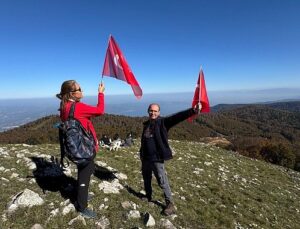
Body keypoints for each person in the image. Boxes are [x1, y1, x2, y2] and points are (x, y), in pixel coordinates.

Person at [140, 103, 201, 216]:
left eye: (155, 111)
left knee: (162, 181)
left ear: (159, 113)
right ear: (148, 111)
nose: (153, 113)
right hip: (146, 158)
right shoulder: (146, 124)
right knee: (146, 178)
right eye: (151, 111)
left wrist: (192, 111)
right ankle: (148, 196)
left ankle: (170, 204)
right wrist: (142, 155)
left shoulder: (163, 123)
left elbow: (177, 117)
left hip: (157, 159)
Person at [56, 80, 105, 219]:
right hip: (84, 147)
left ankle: (81, 193)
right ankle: (82, 206)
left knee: (85, 170)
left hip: (75, 147)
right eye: (79, 88)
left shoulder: (65, 106)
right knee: (85, 173)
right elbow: (100, 110)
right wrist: (101, 93)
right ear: (72, 93)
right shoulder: (77, 107)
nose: (82, 90)